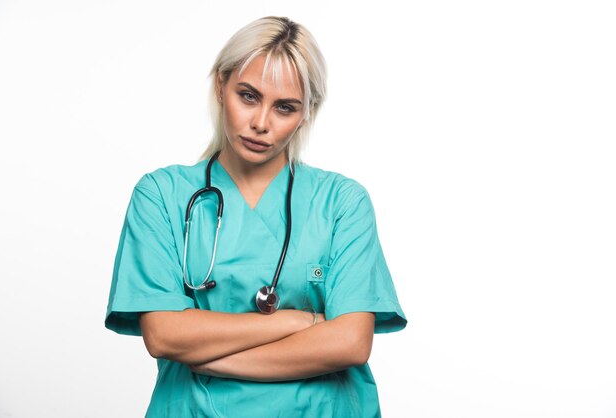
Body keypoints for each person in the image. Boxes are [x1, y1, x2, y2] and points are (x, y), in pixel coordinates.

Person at [105, 16, 407, 418]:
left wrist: (218, 359)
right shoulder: (163, 195)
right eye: (248, 96)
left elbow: (350, 343)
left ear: (306, 113)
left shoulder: (341, 202)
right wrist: (301, 322)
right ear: (220, 85)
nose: (261, 123)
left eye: (285, 107)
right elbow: (164, 334)